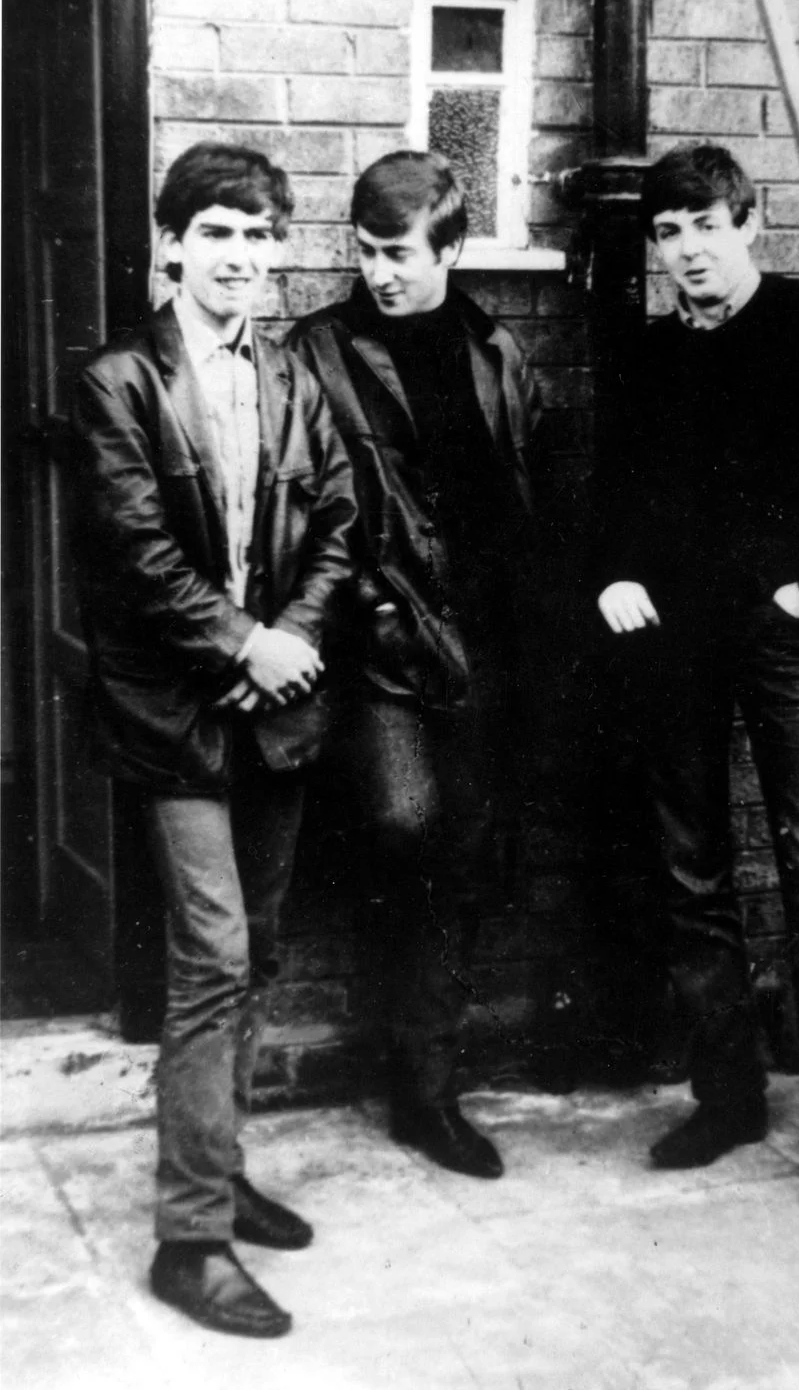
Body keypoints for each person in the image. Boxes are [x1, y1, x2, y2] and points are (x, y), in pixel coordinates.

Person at [593, 142, 799, 1234]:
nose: (687, 248)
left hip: (780, 641)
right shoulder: (647, 353)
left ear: (748, 224)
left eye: (704, 225)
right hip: (674, 644)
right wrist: (615, 574)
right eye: (667, 231)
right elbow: (611, 485)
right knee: (693, 876)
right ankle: (727, 1099)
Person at [71, 142, 358, 1337]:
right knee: (212, 955)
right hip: (176, 716)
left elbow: (340, 521)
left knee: (263, 945)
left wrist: (286, 638)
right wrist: (245, 644)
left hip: (274, 708)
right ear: (172, 243)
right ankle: (190, 1238)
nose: (239, 256)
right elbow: (137, 561)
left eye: (258, 234)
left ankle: (221, 1160)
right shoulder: (119, 382)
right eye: (218, 233)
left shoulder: (290, 372)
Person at [290, 151, 541, 1180]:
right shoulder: (319, 349)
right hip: (380, 645)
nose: (380, 273)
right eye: (365, 251)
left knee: (464, 847)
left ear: (450, 250)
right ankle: (415, 1072)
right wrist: (370, 609)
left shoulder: (495, 351)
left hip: (480, 645)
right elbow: (306, 502)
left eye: (398, 254)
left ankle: (427, 1090)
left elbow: (520, 498)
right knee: (404, 822)